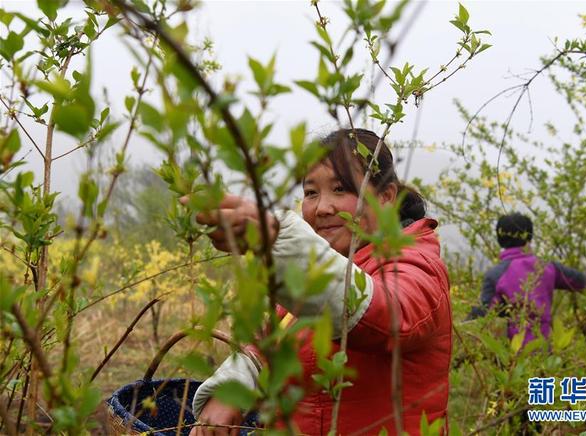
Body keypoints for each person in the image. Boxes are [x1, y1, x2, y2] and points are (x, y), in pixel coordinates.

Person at [187, 129, 451, 435]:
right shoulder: (327, 266)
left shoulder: (417, 265)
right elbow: (272, 339)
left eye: (340, 189)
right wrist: (230, 390)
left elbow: (390, 314)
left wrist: (281, 239)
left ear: (386, 197)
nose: (322, 207)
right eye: (311, 193)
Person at [468, 213, 586, 347]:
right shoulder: (547, 267)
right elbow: (581, 282)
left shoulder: (496, 274)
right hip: (546, 350)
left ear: (499, 238)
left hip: (514, 353)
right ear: (529, 236)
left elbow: (482, 313)